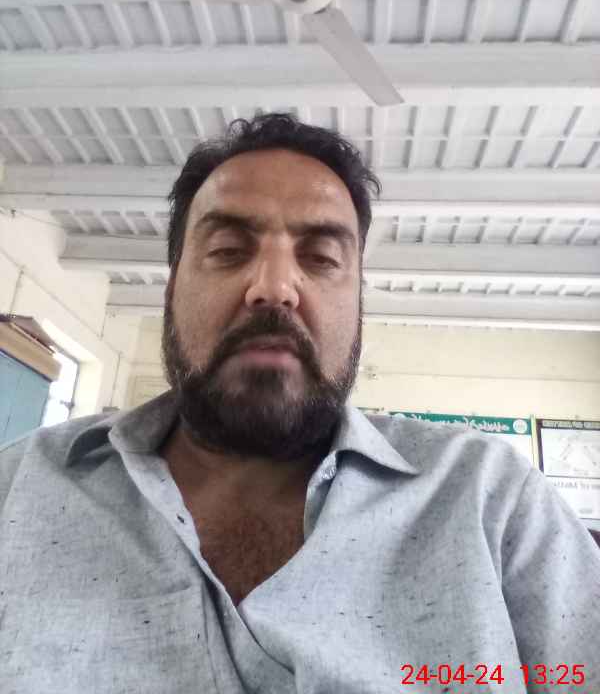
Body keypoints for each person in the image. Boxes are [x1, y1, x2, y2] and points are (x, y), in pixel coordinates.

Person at [1, 112, 599, 694]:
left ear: (357, 299)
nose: (273, 288)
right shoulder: (18, 486)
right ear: (172, 285)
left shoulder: (492, 498)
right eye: (228, 250)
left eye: (321, 258)